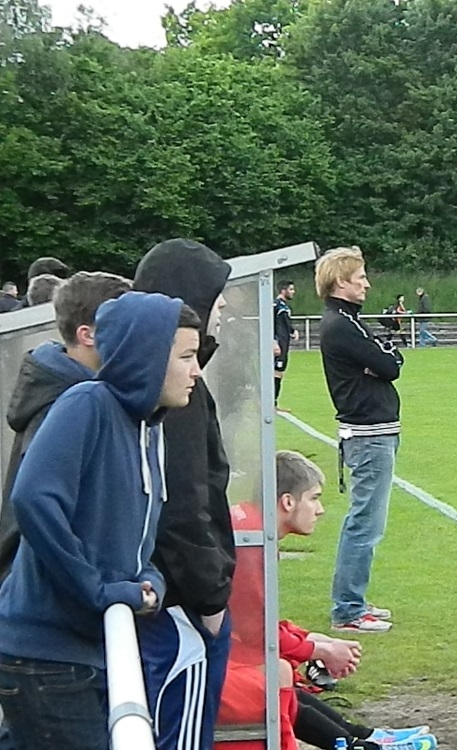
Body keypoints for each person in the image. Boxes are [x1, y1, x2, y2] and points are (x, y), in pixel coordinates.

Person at [0, 291, 203, 750]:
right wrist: (95, 589)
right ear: (146, 357)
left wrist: (148, 578)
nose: (196, 371)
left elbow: (136, 533)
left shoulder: (149, 426)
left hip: (89, 647)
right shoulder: (87, 403)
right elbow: (33, 499)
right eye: (186, 356)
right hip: (46, 652)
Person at [219, 450, 436, 750]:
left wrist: (313, 640)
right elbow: (255, 632)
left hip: (215, 651)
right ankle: (359, 743)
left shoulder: (251, 527)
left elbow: (255, 620)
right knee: (278, 672)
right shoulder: (250, 541)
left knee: (280, 671)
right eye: (314, 498)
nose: (320, 510)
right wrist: (317, 649)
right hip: (210, 665)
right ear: (287, 502)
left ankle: (363, 738)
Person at [132, 238, 237, 750]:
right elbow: (181, 505)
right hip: (178, 606)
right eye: (218, 295)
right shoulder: (176, 394)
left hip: (167, 598)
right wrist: (210, 600)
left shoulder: (166, 382)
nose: (225, 306)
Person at [0, 271, 133, 587]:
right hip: (38, 593)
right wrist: (93, 585)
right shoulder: (70, 402)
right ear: (88, 335)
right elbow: (34, 505)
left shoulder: (67, 390)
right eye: (124, 325)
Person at [316, 246, 402, 633]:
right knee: (365, 523)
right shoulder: (341, 324)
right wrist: (381, 363)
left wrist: (382, 361)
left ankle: (355, 601)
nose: (367, 284)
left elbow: (387, 360)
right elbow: (389, 364)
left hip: (376, 431)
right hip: (368, 434)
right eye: (360, 278)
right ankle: (348, 609)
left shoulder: (349, 321)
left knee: (368, 521)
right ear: (340, 282)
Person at [273, 280, 299, 411]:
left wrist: (292, 330)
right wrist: (273, 341)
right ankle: (271, 404)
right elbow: (270, 323)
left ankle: (272, 403)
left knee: (279, 373)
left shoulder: (284, 306)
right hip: (278, 344)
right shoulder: (276, 305)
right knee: (275, 372)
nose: (293, 292)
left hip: (284, 344)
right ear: (283, 291)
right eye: (291, 289)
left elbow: (285, 323)